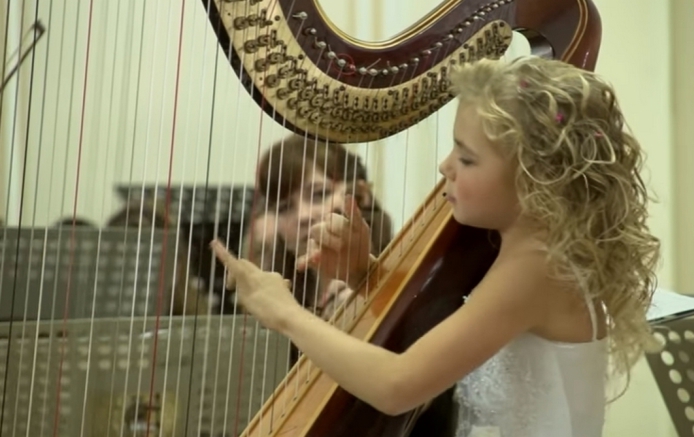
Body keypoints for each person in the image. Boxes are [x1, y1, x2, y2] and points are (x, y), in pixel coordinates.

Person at [210, 56, 661, 437]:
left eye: (466, 157)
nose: (446, 166)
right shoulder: (525, 252)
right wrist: (362, 272)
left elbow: (397, 385)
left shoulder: (537, 267)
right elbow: (435, 329)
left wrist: (285, 314)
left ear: (534, 180)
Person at [239, 134, 393, 320]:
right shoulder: (277, 302)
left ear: (360, 196)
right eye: (284, 207)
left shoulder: (399, 284)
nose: (303, 215)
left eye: (319, 194)